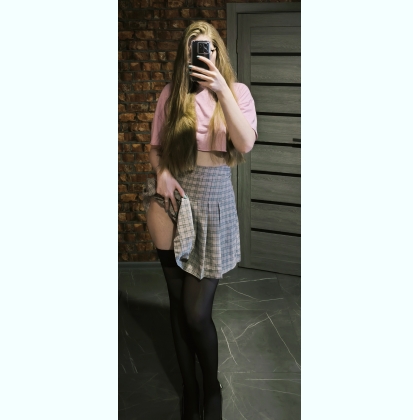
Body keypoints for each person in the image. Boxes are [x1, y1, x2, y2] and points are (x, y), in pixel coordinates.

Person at [142, 21, 258, 420]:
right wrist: (161, 172)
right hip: (171, 198)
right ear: (185, 55)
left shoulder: (237, 93)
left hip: (213, 201)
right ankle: (189, 389)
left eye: (206, 47)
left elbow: (245, 143)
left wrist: (221, 89)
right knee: (178, 305)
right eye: (193, 47)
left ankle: (211, 386)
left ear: (217, 51)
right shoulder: (171, 94)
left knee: (196, 312)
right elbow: (156, 148)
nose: (200, 54)